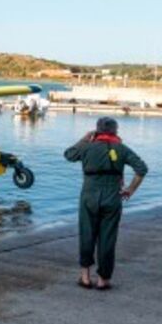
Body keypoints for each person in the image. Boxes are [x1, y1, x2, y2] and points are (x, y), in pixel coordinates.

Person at [64, 117, 148, 290]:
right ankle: (103, 280)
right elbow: (142, 169)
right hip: (112, 196)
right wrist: (131, 190)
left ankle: (85, 277)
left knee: (87, 234)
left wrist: (84, 139)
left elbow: (69, 155)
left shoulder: (87, 146)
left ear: (97, 131)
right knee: (108, 238)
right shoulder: (121, 148)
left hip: (89, 195)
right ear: (115, 131)